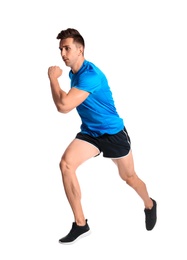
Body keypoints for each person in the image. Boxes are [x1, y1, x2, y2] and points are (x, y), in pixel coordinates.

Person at [48, 28, 157, 245]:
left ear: (81, 50)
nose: (63, 54)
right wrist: (58, 85)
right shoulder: (74, 73)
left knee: (129, 178)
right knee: (66, 165)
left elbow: (64, 105)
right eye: (61, 49)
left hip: (113, 133)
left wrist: (52, 79)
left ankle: (150, 204)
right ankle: (81, 224)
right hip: (90, 132)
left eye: (67, 48)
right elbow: (65, 101)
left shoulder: (91, 75)